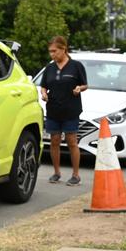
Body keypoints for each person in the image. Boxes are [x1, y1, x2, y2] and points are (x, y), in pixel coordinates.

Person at [39, 36, 89, 186]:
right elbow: (43, 85)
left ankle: (76, 175)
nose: (52, 55)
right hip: (53, 109)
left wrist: (79, 88)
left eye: (54, 51)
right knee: (54, 141)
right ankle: (56, 173)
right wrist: (43, 93)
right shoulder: (50, 68)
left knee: (72, 141)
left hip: (71, 110)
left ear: (63, 49)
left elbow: (85, 85)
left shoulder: (76, 66)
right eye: (50, 52)